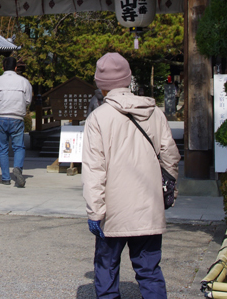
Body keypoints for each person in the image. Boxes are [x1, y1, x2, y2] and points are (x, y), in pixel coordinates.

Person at [82, 52, 180, 299]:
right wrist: (169, 189)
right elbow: (170, 155)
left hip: (114, 209)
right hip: (148, 203)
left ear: (100, 85)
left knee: (106, 268)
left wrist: (95, 211)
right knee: (149, 270)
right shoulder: (154, 112)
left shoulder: (99, 118)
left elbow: (95, 169)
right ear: (128, 79)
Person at [0, 56, 33, 187]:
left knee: (2, 148)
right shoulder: (24, 82)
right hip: (17, 117)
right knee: (18, 146)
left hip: (1, 116)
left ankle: (5, 178)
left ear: (2, 68)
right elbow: (28, 100)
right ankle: (18, 167)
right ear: (16, 68)